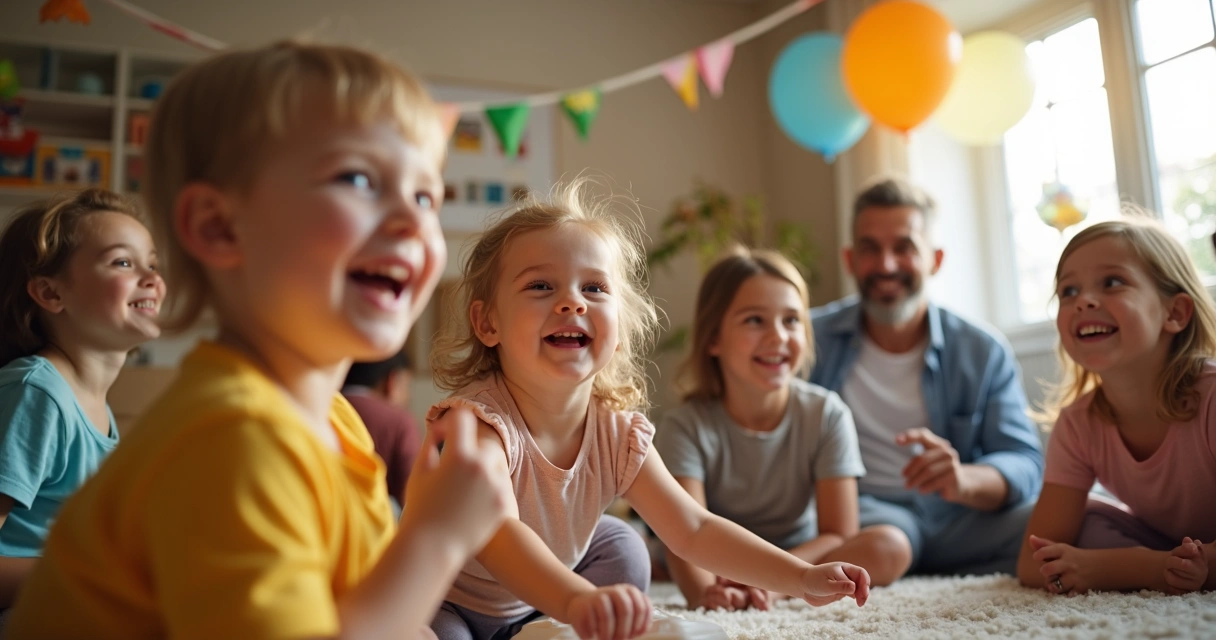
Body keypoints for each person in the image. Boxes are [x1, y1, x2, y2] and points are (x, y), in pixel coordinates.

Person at [3, 40, 512, 639]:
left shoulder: (340, 424)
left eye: (425, 195)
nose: (412, 221)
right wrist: (437, 539)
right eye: (358, 179)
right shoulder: (230, 437)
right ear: (219, 228)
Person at [427, 180, 871, 640]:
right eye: (540, 285)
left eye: (594, 287)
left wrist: (800, 578)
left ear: (619, 328)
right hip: (451, 600)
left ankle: (553, 624)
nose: (573, 301)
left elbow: (693, 529)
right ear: (488, 322)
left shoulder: (615, 432)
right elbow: (497, 533)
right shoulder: (477, 426)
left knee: (623, 545)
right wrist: (575, 600)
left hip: (542, 605)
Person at [810, 176, 1044, 576]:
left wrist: (963, 479)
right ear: (850, 260)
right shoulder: (808, 338)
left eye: (904, 248)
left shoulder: (982, 349)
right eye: (870, 249)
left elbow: (1024, 461)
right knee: (887, 545)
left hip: (962, 515)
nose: (886, 265)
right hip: (867, 517)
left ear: (935, 260)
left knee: (1083, 515)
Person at [656, 248, 911, 611]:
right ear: (713, 338)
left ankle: (770, 587)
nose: (778, 336)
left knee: (891, 545)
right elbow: (686, 533)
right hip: (716, 558)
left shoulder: (826, 414)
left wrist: (774, 583)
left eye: (791, 320)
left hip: (801, 556)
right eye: (754, 320)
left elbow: (838, 533)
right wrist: (704, 593)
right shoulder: (685, 427)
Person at [1018, 217, 1216, 595]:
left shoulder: (1212, 398)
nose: (1083, 301)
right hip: (1167, 542)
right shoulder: (1077, 423)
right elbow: (1031, 563)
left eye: (1112, 283)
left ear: (1175, 313)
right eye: (1068, 291)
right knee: (1086, 520)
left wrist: (1122, 568)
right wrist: (1159, 566)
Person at [0, 189, 164, 611]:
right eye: (123, 262)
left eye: (152, 263)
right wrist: (92, 576)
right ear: (51, 294)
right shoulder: (37, 394)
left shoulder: (94, 406)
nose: (152, 278)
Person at [343, 350, 422, 507]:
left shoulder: (321, 408)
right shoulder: (399, 421)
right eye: (406, 386)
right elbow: (414, 497)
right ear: (391, 381)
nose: (408, 396)